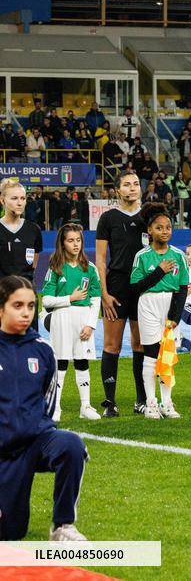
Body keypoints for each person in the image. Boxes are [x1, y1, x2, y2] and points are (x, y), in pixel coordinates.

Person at [0, 275, 89, 542]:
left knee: (71, 445)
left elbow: (47, 404)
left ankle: (63, 526)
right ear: (1, 307)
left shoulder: (42, 350)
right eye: (18, 306)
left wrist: (34, 430)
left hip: (32, 445)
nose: (26, 313)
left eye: (30, 305)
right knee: (10, 534)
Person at [130, 203, 189, 420]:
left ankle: (167, 403)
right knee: (151, 354)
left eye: (168, 228)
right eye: (159, 228)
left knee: (167, 354)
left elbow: (183, 289)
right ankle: (151, 403)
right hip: (148, 304)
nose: (164, 231)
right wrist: (159, 271)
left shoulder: (179, 256)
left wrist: (175, 316)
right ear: (150, 232)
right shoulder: (142, 256)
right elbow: (135, 287)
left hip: (169, 306)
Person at [95, 172, 147, 417]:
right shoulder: (108, 218)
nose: (132, 188)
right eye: (127, 184)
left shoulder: (148, 216)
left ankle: (142, 400)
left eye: (136, 184)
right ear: (117, 190)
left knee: (140, 344)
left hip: (143, 287)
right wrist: (104, 293)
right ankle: (110, 403)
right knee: (112, 344)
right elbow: (101, 258)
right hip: (116, 286)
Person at [40, 223, 103, 421]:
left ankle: (85, 406)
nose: (75, 244)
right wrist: (70, 298)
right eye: (70, 240)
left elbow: (95, 300)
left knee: (82, 361)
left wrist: (91, 325)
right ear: (62, 243)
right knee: (61, 362)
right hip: (62, 318)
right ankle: (55, 408)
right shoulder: (56, 268)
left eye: (78, 240)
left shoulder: (90, 269)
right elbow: (47, 300)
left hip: (83, 320)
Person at [0, 179, 44, 325]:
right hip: (3, 298)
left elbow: (33, 262)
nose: (20, 202)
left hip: (27, 297)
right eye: (14, 198)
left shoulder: (34, 230)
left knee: (28, 345)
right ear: (2, 200)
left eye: (23, 198)